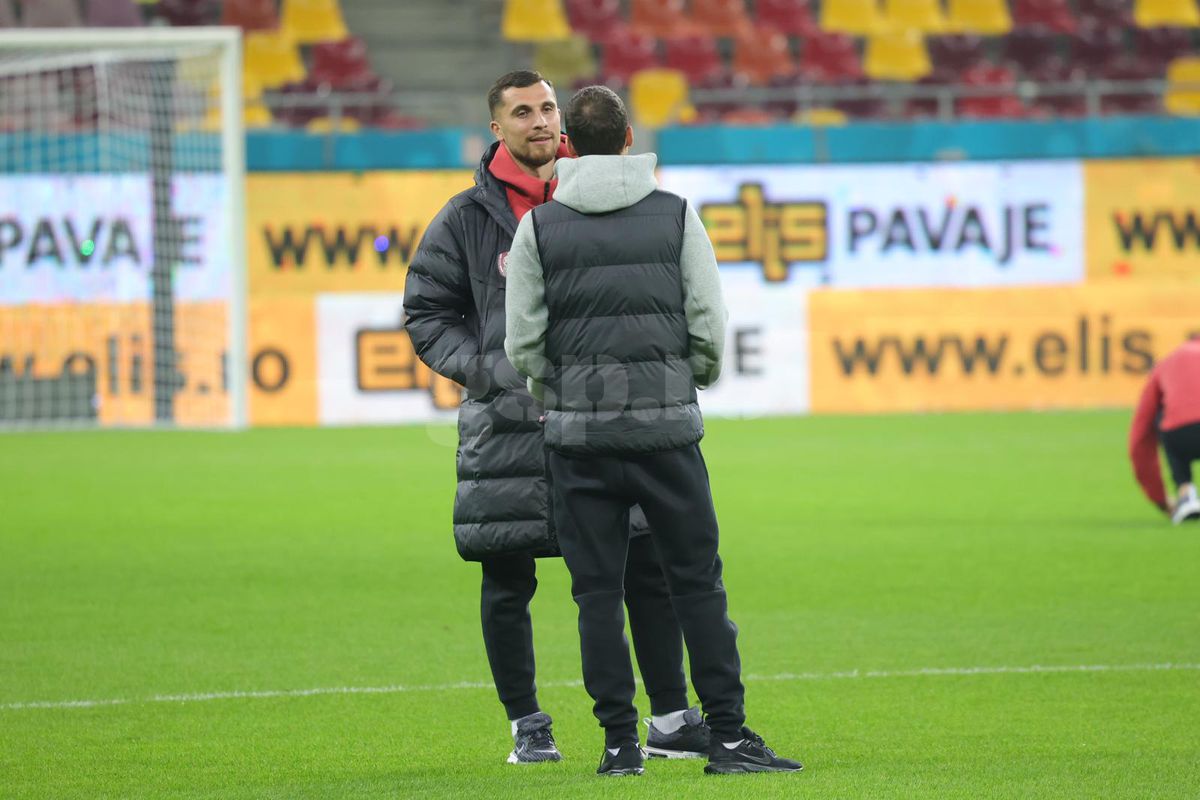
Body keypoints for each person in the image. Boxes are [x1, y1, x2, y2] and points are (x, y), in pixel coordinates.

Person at [402, 71, 709, 765]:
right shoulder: (465, 217)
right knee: (507, 574)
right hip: (507, 425)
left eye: (546, 108)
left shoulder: (603, 199)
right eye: (522, 112)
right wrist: (490, 371)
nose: (539, 121)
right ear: (496, 128)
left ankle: (668, 719)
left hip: (603, 417)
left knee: (643, 566)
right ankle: (528, 725)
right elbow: (425, 311)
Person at [503, 84, 803, 777]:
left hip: (579, 442)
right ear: (629, 139)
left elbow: (523, 342)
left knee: (596, 597)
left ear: (570, 145)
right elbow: (708, 322)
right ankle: (727, 737)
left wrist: (559, 396)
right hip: (666, 435)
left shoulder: (539, 227)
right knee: (697, 586)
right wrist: (686, 381)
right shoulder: (675, 214)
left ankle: (619, 746)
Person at [1129, 336, 1200, 525]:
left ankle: (1186, 494)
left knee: (1164, 417)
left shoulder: (1165, 364)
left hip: (1180, 435)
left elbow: (1140, 435)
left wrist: (1160, 500)